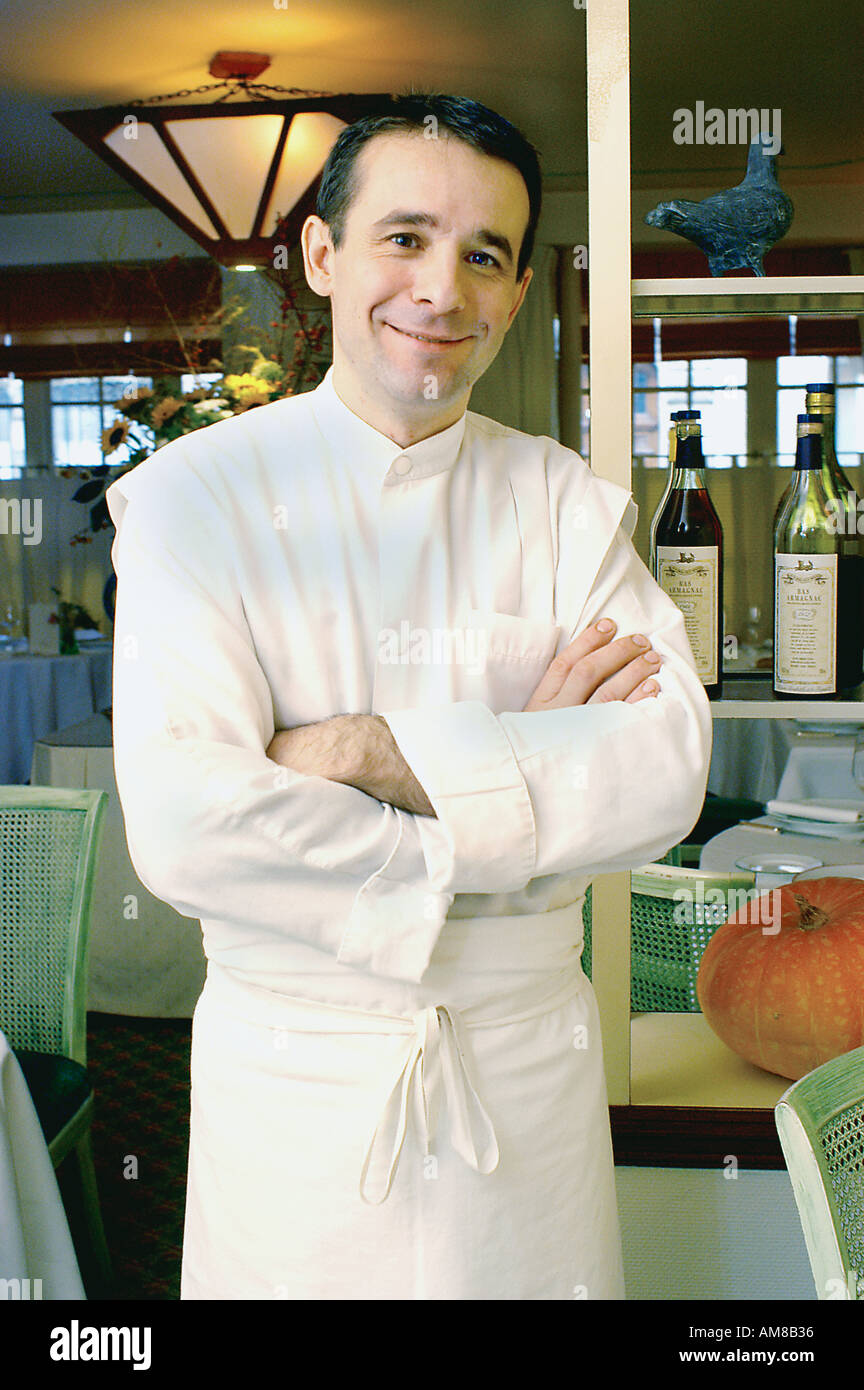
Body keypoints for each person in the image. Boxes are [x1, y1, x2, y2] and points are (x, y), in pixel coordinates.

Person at [106, 92, 712, 1301]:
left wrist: (370, 752)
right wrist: (520, 777)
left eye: (484, 254)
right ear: (324, 255)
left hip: (525, 1084)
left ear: (520, 290)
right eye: (405, 236)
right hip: (295, 1093)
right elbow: (183, 821)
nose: (441, 289)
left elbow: (667, 769)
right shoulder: (195, 497)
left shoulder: (562, 504)